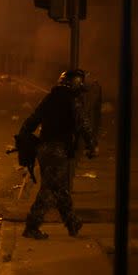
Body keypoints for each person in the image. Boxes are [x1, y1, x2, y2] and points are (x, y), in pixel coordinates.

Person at [18, 69, 98, 239]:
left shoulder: (49, 98)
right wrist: (92, 145)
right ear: (76, 84)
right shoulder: (73, 100)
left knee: (60, 188)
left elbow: (32, 120)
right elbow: (84, 124)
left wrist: (25, 138)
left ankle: (72, 222)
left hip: (44, 148)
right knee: (50, 190)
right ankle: (32, 226)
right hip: (58, 150)